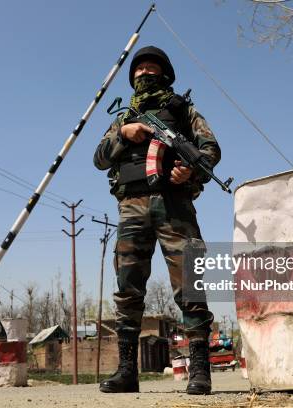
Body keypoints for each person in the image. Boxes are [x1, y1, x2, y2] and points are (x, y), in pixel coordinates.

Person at [93, 46, 221, 395]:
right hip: (131, 207)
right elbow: (100, 158)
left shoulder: (184, 111)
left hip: (175, 206)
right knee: (127, 288)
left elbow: (210, 150)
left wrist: (189, 170)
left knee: (191, 285)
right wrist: (125, 135)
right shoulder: (124, 117)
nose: (144, 73)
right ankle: (126, 370)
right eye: (138, 69)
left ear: (165, 74)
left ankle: (199, 370)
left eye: (151, 68)